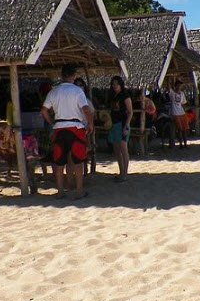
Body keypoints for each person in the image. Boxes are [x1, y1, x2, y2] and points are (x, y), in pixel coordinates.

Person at [40, 64, 94, 200]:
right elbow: (86, 109)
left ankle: (60, 191)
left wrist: (52, 122)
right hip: (76, 127)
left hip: (59, 128)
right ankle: (79, 191)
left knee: (59, 162)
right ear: (74, 76)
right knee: (78, 161)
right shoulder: (77, 91)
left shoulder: (53, 91)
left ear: (61, 75)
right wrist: (90, 124)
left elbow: (44, 111)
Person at [107, 75, 133, 182]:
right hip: (114, 124)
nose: (114, 86)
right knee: (117, 150)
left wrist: (126, 125)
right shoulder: (113, 96)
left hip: (122, 124)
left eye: (116, 84)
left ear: (120, 84)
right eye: (113, 84)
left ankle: (125, 173)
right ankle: (121, 171)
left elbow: (130, 112)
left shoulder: (125, 96)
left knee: (124, 149)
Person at [169, 80, 189, 148]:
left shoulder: (182, 93)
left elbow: (183, 103)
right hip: (175, 113)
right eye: (178, 85)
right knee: (179, 129)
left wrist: (185, 111)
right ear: (175, 86)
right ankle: (181, 144)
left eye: (180, 86)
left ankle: (185, 144)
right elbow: (168, 87)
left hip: (182, 112)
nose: (179, 87)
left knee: (184, 129)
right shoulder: (172, 93)